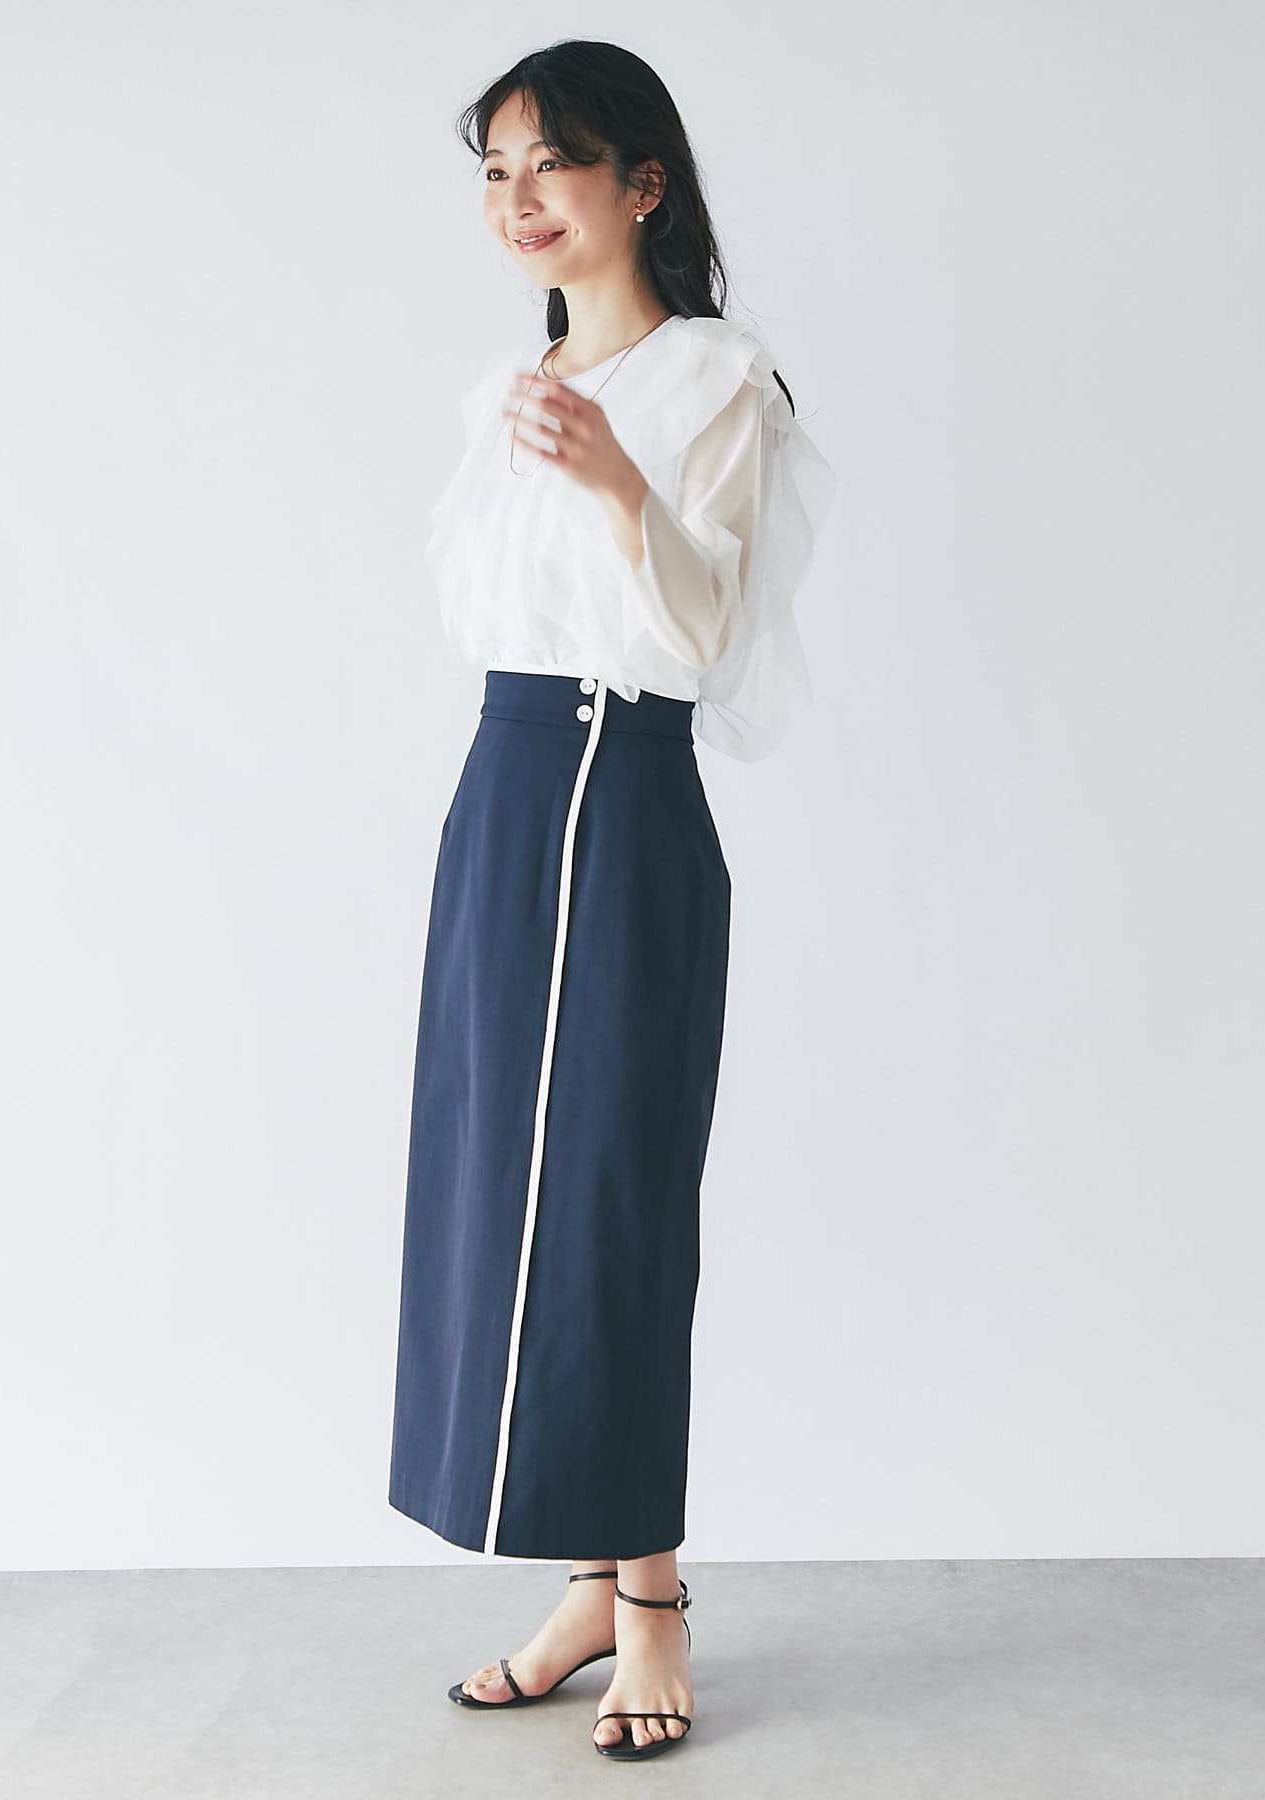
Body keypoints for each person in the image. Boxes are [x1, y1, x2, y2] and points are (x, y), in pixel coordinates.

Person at [387, 39, 837, 1762]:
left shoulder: (718, 379)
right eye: (494, 170)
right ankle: (592, 1581)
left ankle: (651, 1602)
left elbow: (705, 640)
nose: (518, 199)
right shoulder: (509, 388)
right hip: (504, 794)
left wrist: (612, 477)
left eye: (552, 163)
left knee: (608, 1210)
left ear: (642, 184)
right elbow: (476, 612)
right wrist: (556, 455)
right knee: (496, 1197)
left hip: (618, 796)